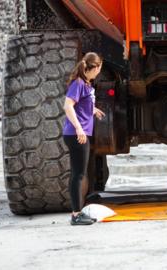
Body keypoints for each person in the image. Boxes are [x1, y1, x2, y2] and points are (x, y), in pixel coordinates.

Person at [63, 52, 105, 225]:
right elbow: (68, 105)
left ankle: (78, 212)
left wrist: (93, 110)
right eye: (99, 69)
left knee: (80, 173)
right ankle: (76, 214)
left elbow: (82, 104)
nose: (99, 72)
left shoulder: (86, 84)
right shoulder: (78, 83)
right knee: (78, 175)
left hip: (80, 133)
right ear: (94, 67)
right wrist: (79, 128)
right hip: (76, 134)